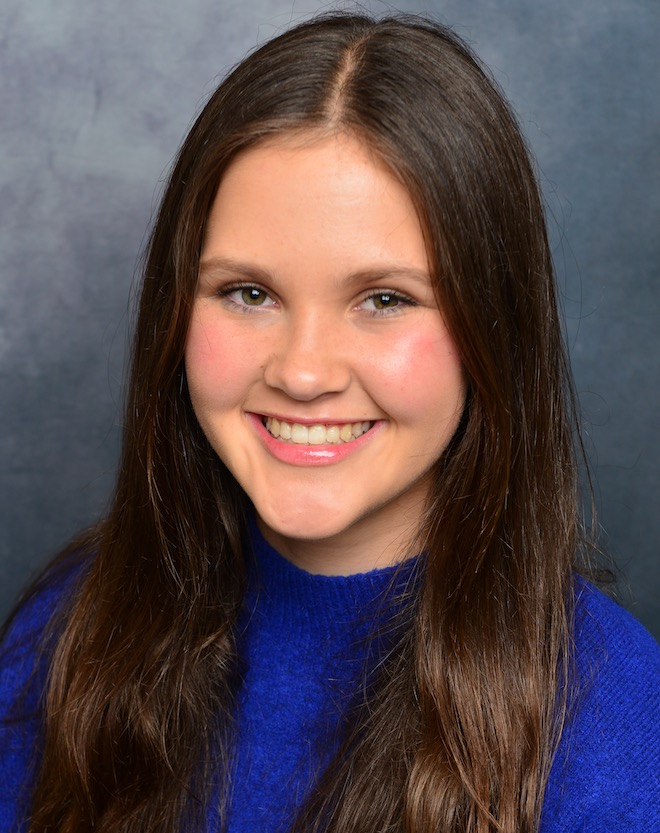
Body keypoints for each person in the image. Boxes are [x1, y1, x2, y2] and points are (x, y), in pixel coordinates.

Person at [1, 11, 657, 833]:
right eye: (249, 293)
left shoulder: (618, 730)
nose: (303, 372)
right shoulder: (68, 629)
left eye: (384, 299)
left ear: (493, 327)